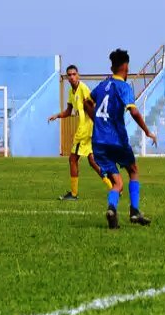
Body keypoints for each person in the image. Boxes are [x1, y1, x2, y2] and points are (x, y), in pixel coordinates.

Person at [88, 49, 158, 229]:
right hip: (116, 139)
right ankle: (134, 211)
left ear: (112, 66)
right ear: (126, 67)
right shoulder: (124, 87)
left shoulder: (102, 85)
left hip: (98, 141)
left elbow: (87, 102)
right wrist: (147, 131)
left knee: (117, 182)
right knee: (133, 169)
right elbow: (133, 110)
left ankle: (112, 208)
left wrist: (96, 120)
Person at [48, 64, 112, 201]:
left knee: (72, 159)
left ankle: (74, 194)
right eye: (69, 75)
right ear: (67, 77)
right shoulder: (71, 92)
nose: (71, 77)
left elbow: (91, 107)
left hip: (85, 130)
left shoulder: (83, 89)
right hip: (88, 129)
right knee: (92, 160)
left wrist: (99, 126)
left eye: (74, 74)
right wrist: (57, 116)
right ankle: (113, 187)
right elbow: (68, 111)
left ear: (78, 75)